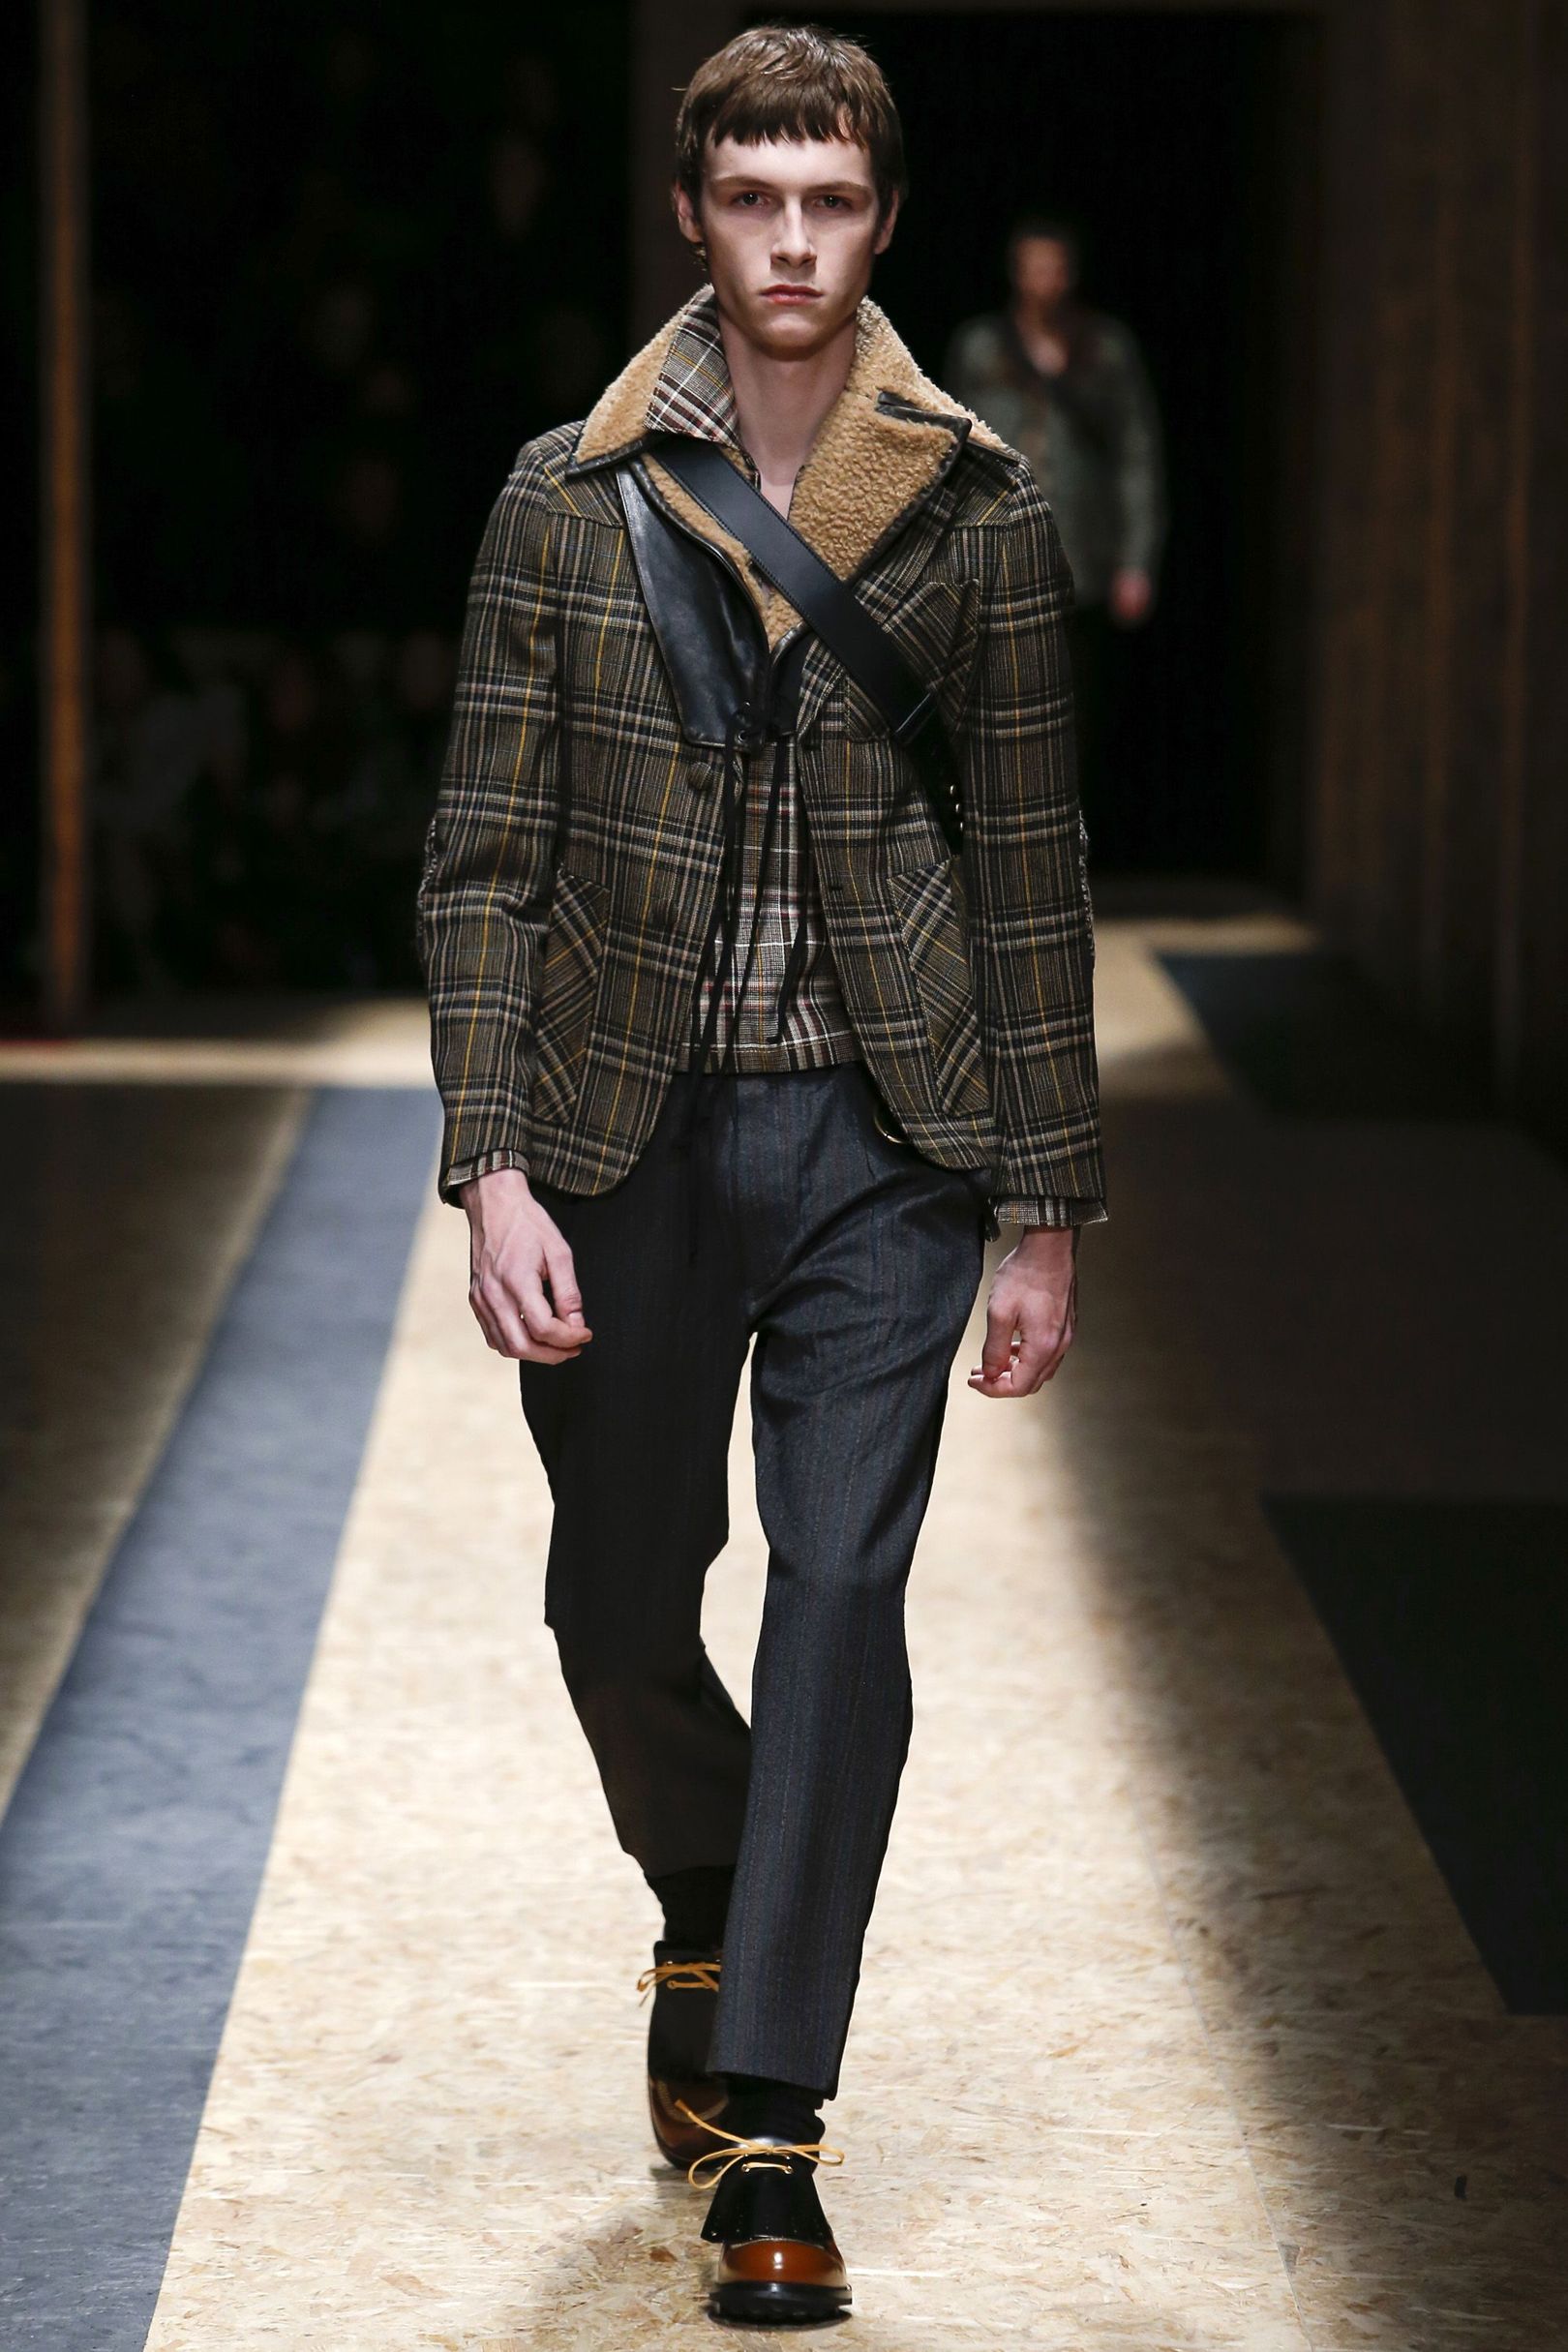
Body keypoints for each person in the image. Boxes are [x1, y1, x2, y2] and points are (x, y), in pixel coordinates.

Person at [419, 26, 1103, 2327]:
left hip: (882, 1142)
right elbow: (483, 851)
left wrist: (1040, 1204)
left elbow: (1028, 866)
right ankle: (706, 1885)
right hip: (622, 1126)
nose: (791, 243)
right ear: (693, 215)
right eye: (751, 200)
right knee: (614, 1603)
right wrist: (493, 1161)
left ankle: (775, 2121)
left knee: (841, 1590)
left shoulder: (981, 510)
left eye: (828, 203)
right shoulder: (563, 497)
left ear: (879, 220)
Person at [946, 218, 1164, 851]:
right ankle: (992, 840)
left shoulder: (1103, 349)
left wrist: (1136, 559)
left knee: (1069, 707)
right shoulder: (983, 346)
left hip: (1078, 555)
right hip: (996, 550)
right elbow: (952, 447)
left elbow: (1135, 455)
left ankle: (1060, 842)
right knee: (992, 702)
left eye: (1055, 267)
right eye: (1032, 266)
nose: (1044, 280)